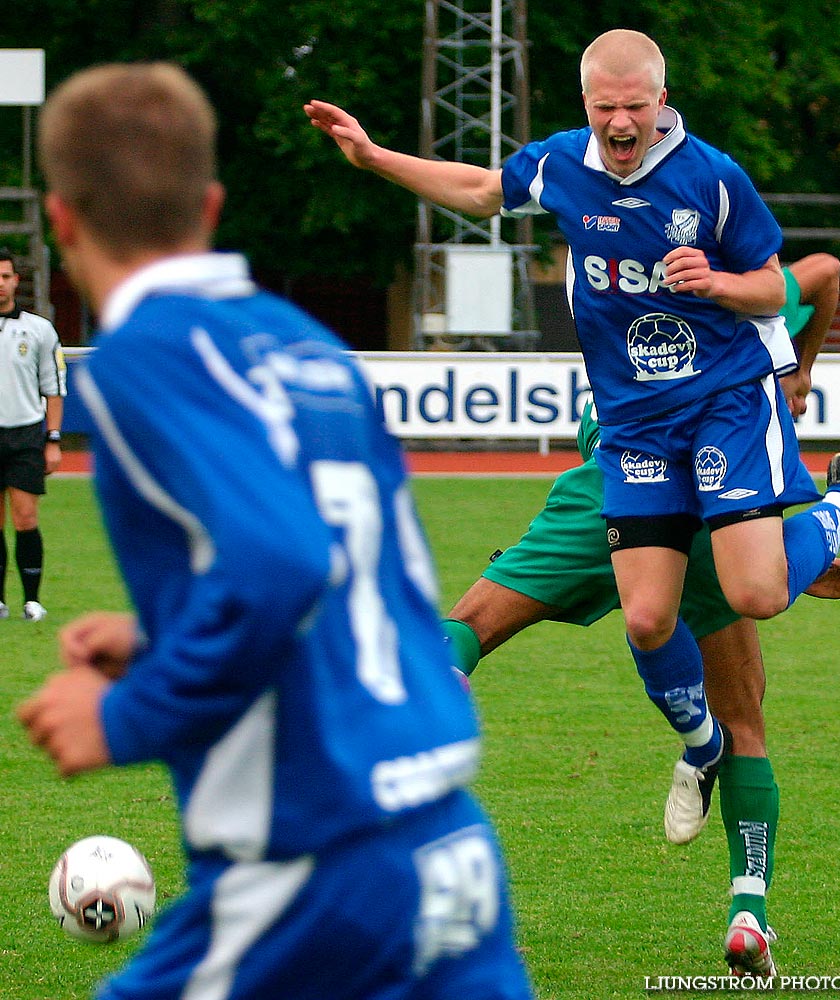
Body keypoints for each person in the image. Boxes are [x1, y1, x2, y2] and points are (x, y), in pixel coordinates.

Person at [305, 29, 840, 977]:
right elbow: (476, 189)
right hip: (631, 435)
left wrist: (725, 285)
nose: (622, 122)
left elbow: (782, 280)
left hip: (718, 409)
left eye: (637, 105)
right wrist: (376, 156)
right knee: (645, 616)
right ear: (586, 105)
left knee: (751, 595)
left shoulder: (712, 178)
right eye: (604, 108)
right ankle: (701, 746)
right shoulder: (559, 166)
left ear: (662, 97)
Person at [19, 63, 534, 1000]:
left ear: (61, 219)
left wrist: (125, 717)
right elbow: (357, 572)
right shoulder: (307, 347)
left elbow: (284, 559)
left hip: (314, 866)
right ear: (211, 205)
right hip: (447, 842)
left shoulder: (146, 354)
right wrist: (159, 639)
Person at [441, 256, 840, 980]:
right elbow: (828, 273)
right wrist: (799, 374)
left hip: (628, 493)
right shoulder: (745, 282)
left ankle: (398, 849)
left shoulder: (631, 268)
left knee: (467, 634)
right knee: (737, 711)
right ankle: (751, 911)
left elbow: (825, 273)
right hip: (701, 509)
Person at [0, 247, 67, 621]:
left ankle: (32, 600)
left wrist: (53, 439)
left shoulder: (39, 330)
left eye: (5, 276)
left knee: (25, 517)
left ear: (15, 281)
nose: (0, 283)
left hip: (24, 435)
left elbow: (53, 388)